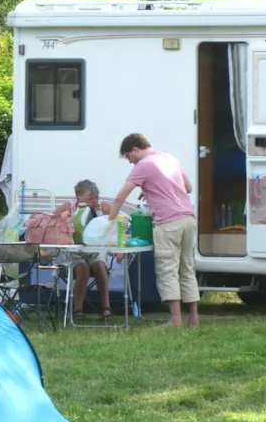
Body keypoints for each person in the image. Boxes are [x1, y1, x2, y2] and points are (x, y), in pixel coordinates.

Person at [106, 133, 200, 327]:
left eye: (127, 157)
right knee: (187, 267)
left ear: (134, 149)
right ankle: (194, 318)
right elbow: (188, 187)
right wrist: (155, 186)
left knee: (168, 269)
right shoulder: (170, 158)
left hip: (168, 222)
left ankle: (175, 319)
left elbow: (120, 197)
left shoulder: (143, 165)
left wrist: (110, 223)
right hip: (188, 219)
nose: (130, 162)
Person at [53, 180, 122, 320]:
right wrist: (63, 221)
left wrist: (119, 247)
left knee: (99, 266)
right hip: (75, 250)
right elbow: (49, 222)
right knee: (82, 269)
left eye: (96, 197)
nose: (95, 201)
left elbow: (120, 223)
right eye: (91, 198)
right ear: (78, 198)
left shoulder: (102, 208)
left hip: (96, 249)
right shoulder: (69, 208)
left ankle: (106, 307)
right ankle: (78, 308)